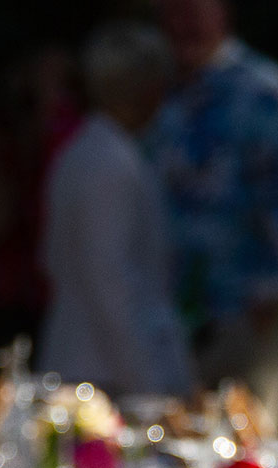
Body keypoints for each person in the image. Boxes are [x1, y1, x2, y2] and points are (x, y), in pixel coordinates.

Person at [146, 0, 278, 422]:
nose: (182, 21)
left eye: (195, 8)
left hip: (241, 325)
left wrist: (268, 288)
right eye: (172, 8)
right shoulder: (159, 92)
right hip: (164, 325)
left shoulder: (266, 95)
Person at [38, 24, 193, 397]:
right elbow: (111, 282)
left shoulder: (87, 151)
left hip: (91, 361)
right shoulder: (108, 162)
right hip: (103, 374)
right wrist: (152, 385)